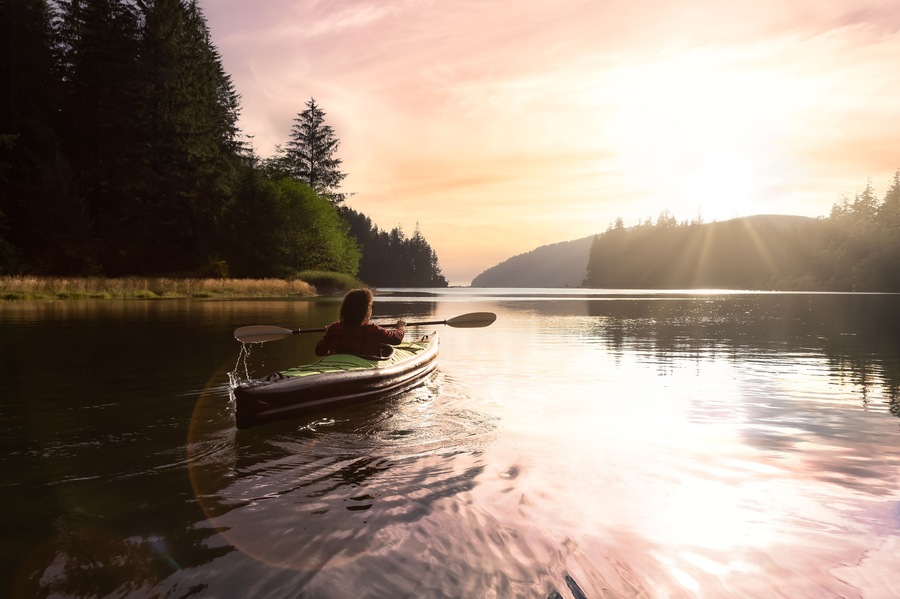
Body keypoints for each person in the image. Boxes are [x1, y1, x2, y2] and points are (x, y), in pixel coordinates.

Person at [315, 288, 406, 359]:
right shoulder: (374, 330)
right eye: (371, 306)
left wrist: (327, 334)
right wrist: (401, 327)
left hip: (337, 370)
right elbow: (396, 339)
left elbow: (319, 351)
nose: (372, 309)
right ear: (365, 310)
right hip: (364, 370)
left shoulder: (335, 328)